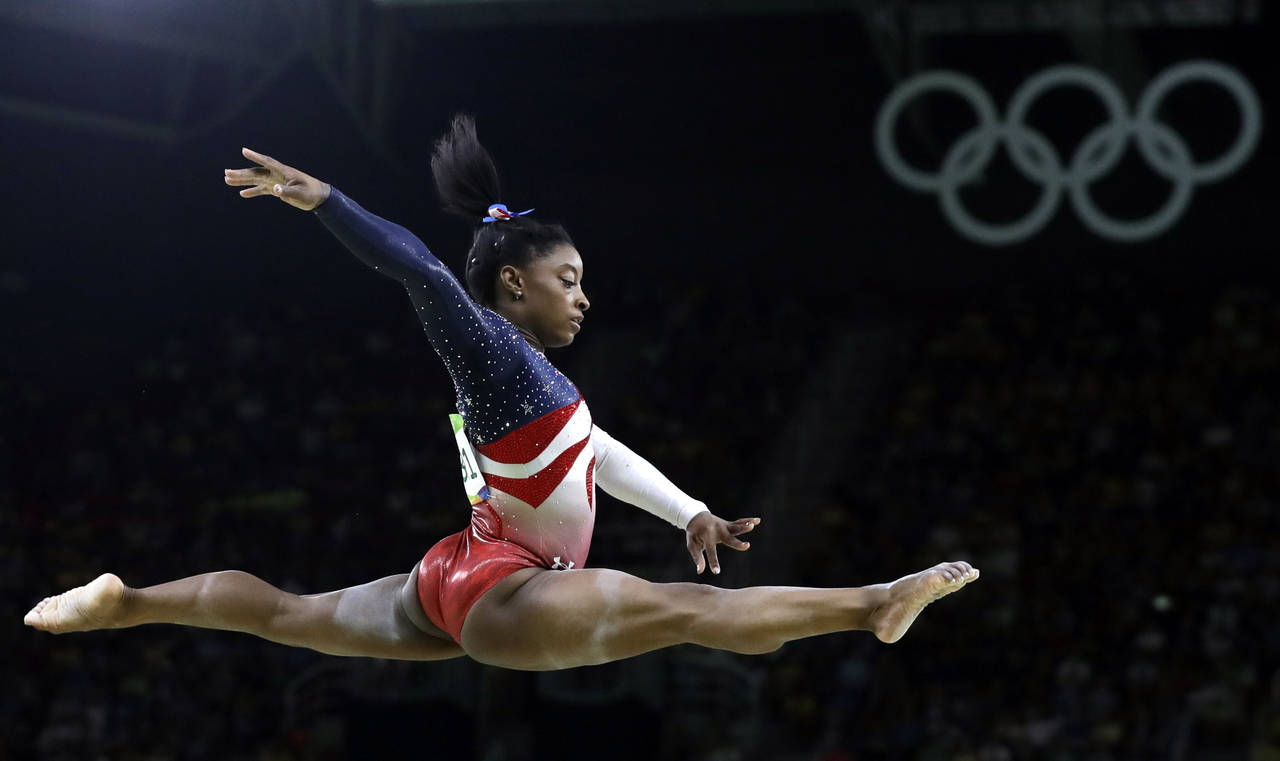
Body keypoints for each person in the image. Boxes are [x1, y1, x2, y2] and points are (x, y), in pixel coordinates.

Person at [24, 116, 978, 670]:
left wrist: (690, 509)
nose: (584, 295)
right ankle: (872, 603)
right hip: (503, 587)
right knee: (689, 613)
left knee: (288, 613)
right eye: (569, 279)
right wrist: (329, 203)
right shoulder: (490, 347)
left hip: (461, 572)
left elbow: (593, 451)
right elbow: (425, 276)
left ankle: (129, 601)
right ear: (515, 285)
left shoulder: (530, 382)